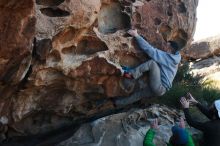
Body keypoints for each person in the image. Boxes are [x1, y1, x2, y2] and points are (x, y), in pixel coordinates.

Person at [122, 29, 182, 97]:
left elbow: (150, 50)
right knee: (139, 95)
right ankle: (116, 103)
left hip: (159, 86)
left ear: (170, 49)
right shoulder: (175, 59)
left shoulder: (169, 58)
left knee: (152, 63)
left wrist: (136, 35)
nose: (164, 46)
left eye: (166, 45)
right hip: (162, 90)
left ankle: (131, 74)